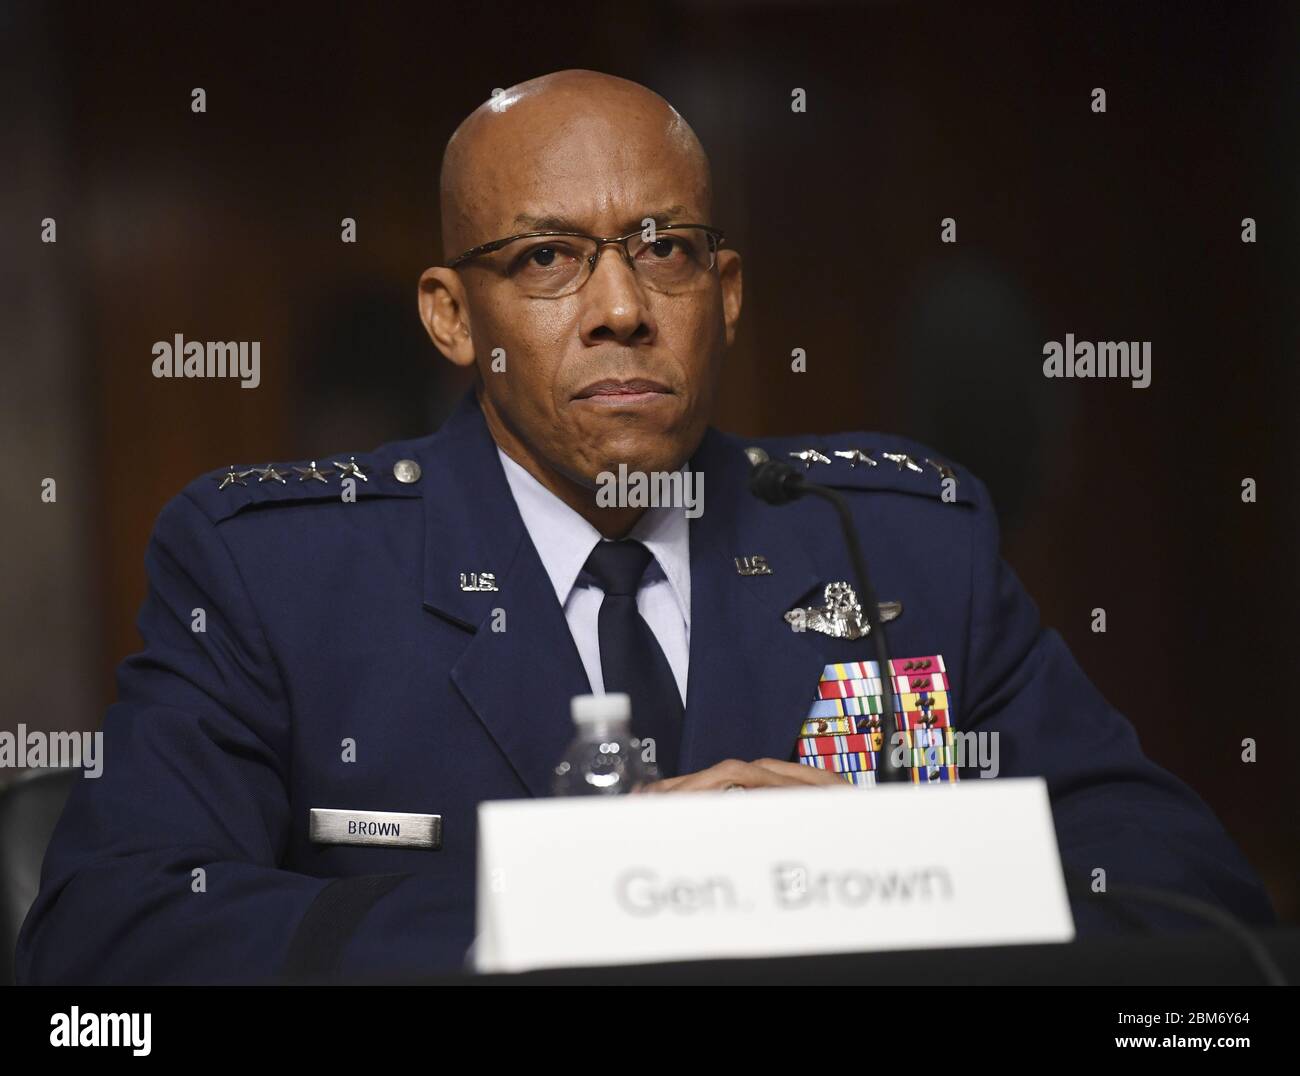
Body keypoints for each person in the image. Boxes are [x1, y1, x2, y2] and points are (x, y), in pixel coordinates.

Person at [16, 70, 1274, 984]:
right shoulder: (274, 571)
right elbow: (106, 942)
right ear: (455, 318)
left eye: (664, 249)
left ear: (722, 297)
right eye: (550, 260)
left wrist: (889, 862)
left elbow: (1189, 900)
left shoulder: (897, 542)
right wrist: (587, 893)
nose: (621, 307)